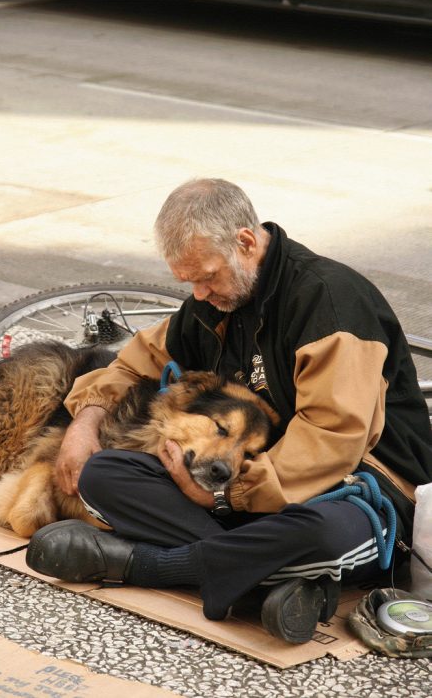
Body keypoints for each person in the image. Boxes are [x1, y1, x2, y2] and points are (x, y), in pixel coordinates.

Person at [26, 178, 432, 644]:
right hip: (253, 490)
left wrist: (226, 498)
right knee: (104, 474)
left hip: (360, 489)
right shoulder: (216, 301)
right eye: (189, 281)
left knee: (321, 536)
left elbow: (333, 438)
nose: (198, 293)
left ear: (245, 242)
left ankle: (147, 564)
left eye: (207, 276)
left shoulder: (329, 301)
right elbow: (134, 363)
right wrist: (85, 420)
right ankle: (265, 584)